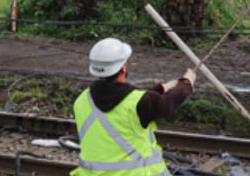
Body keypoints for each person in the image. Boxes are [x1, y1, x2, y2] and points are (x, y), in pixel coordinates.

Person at [71, 37, 195, 176]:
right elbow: (166, 105)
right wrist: (186, 84)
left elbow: (122, 105)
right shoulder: (140, 103)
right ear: (123, 68)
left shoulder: (81, 101)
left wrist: (161, 88)